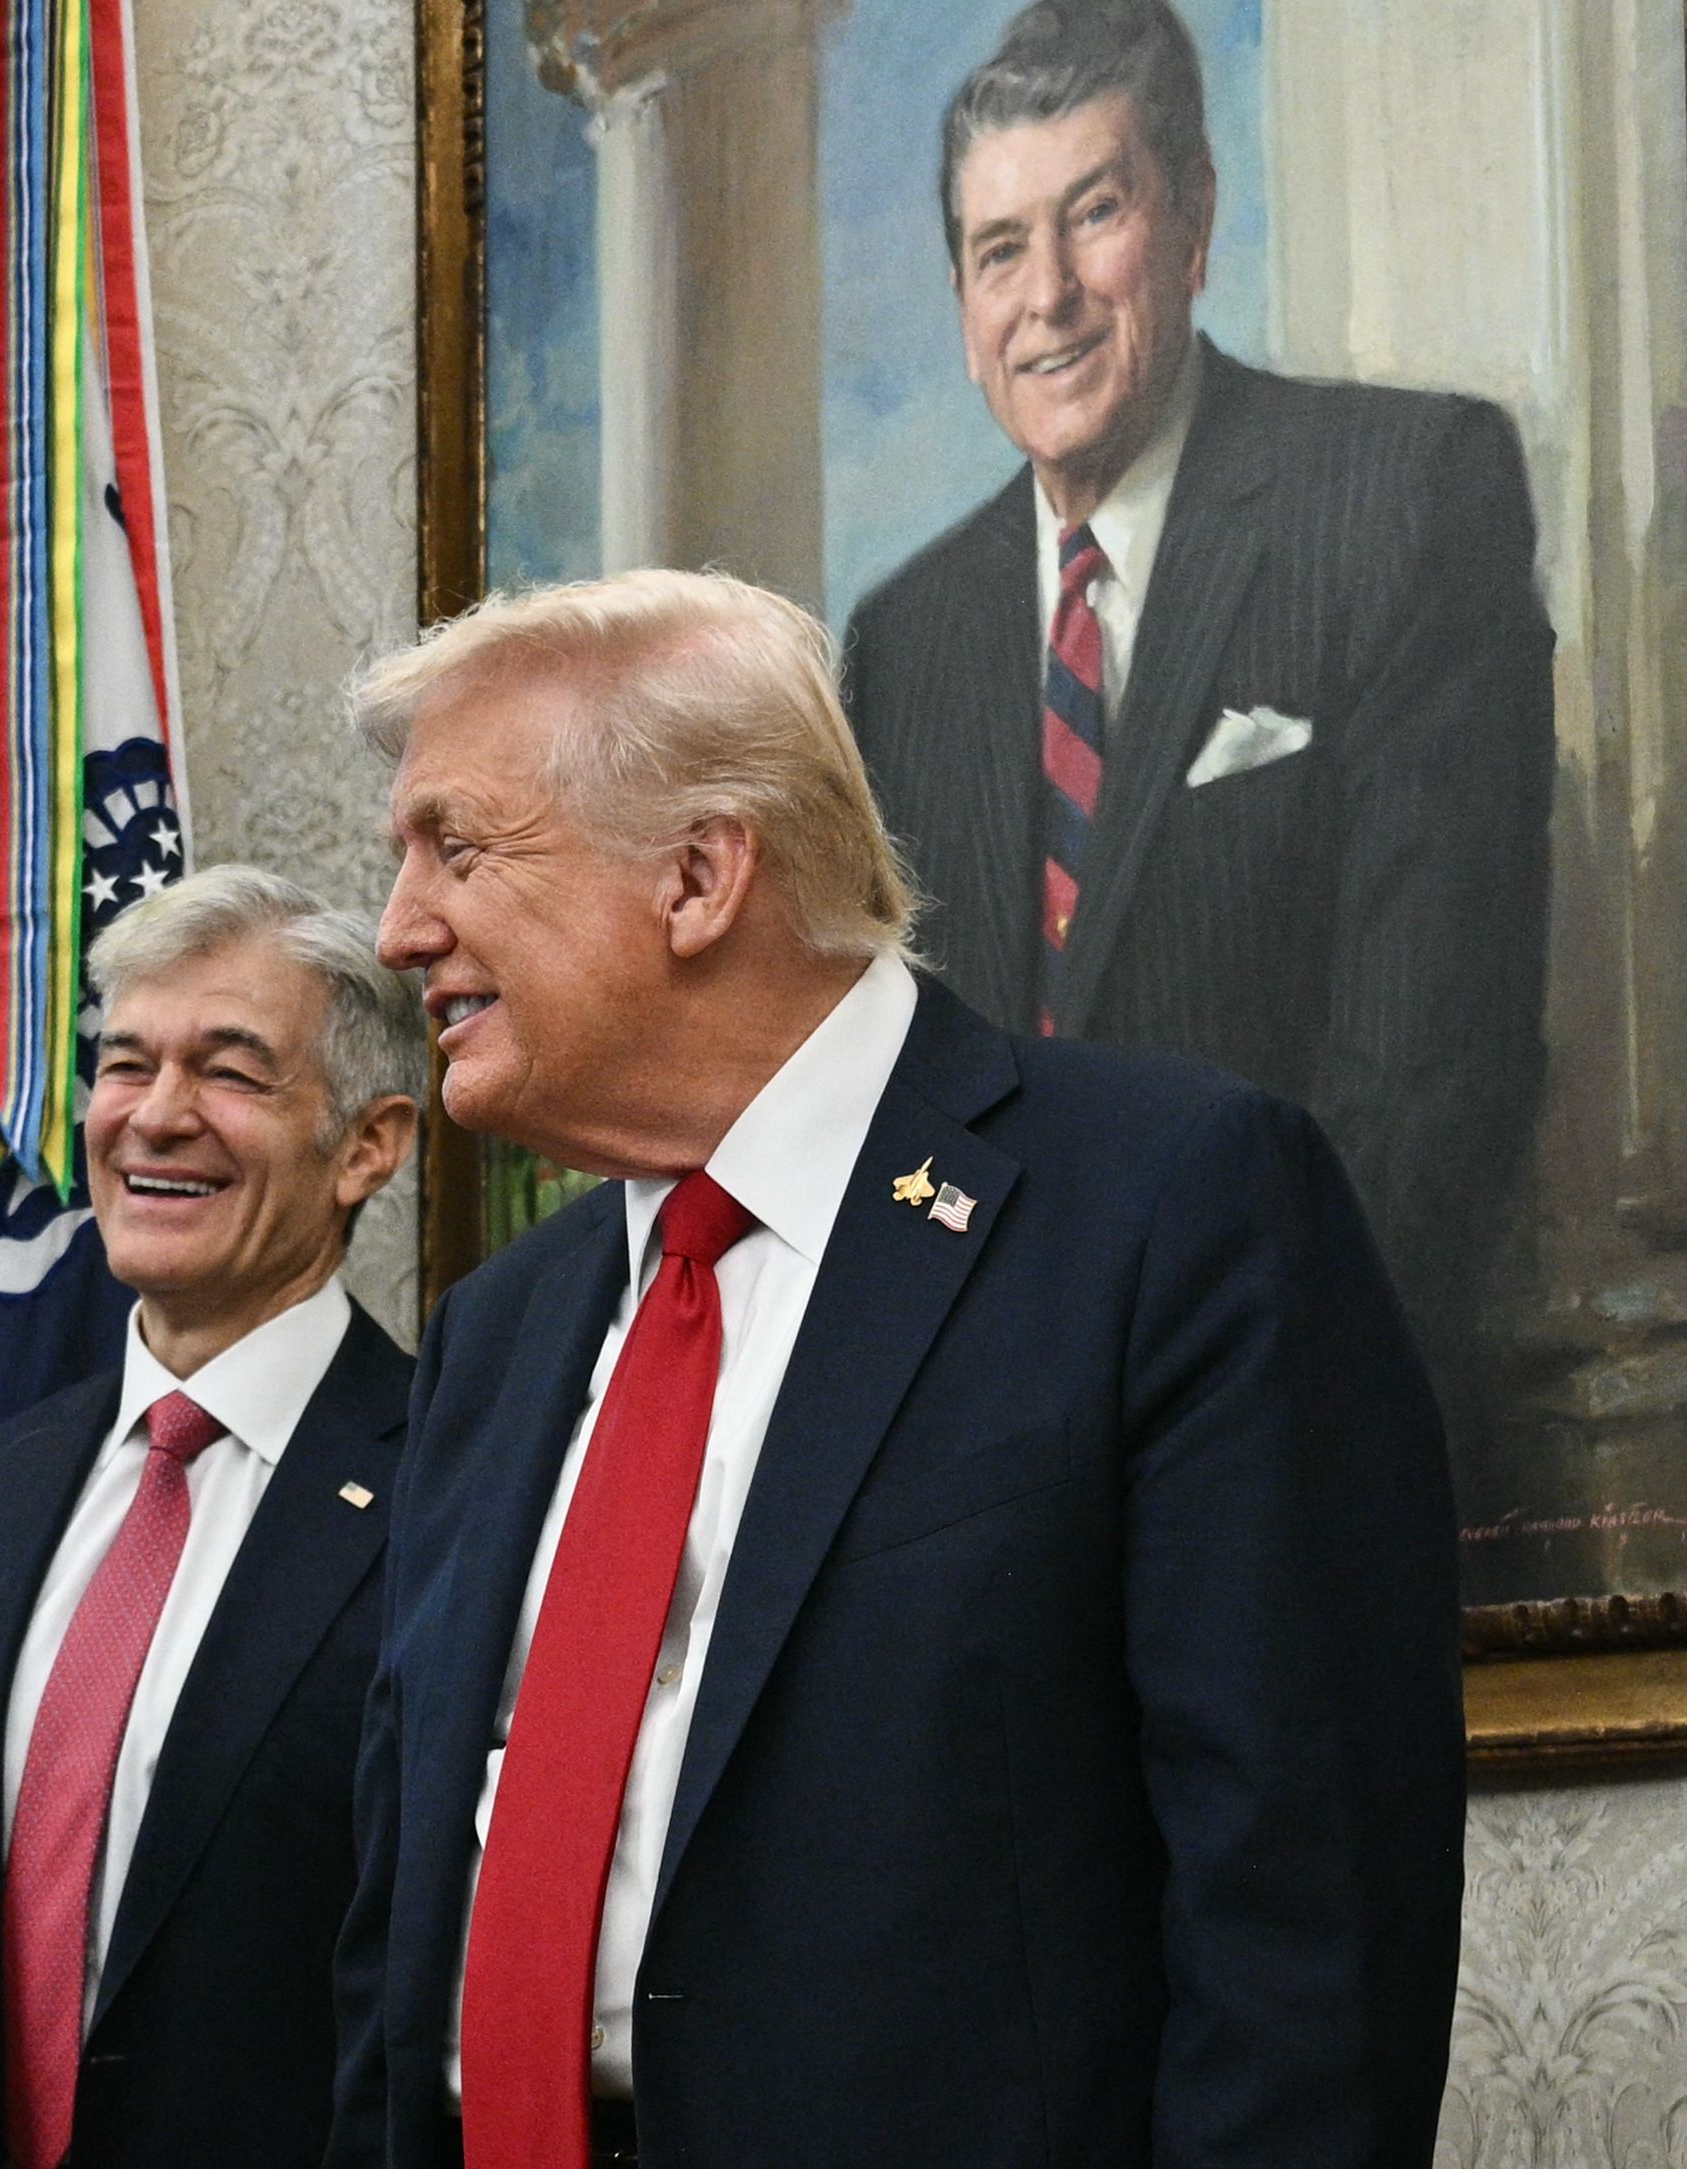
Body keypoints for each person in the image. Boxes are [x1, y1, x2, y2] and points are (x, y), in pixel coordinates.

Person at [332, 568, 1463, 2166]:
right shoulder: (495, 1334)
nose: (398, 930)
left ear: (697, 875)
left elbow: (1307, 1926)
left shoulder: (1168, 1208)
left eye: (456, 846)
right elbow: (396, 1944)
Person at [838, 0, 1553, 1425]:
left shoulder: (1403, 499)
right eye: (996, 250)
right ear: (964, 310)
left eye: (1091, 214)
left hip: (1293, 1414)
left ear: (1191, 221)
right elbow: (893, 1116)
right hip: (988, 1460)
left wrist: (1180, 1417)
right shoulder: (899, 644)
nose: (1043, 295)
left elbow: (1426, 1082)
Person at [0, 866, 423, 2169]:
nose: (153, 1116)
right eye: (123, 1063)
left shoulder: (459, 1492)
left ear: (368, 1144)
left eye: (229, 1072)